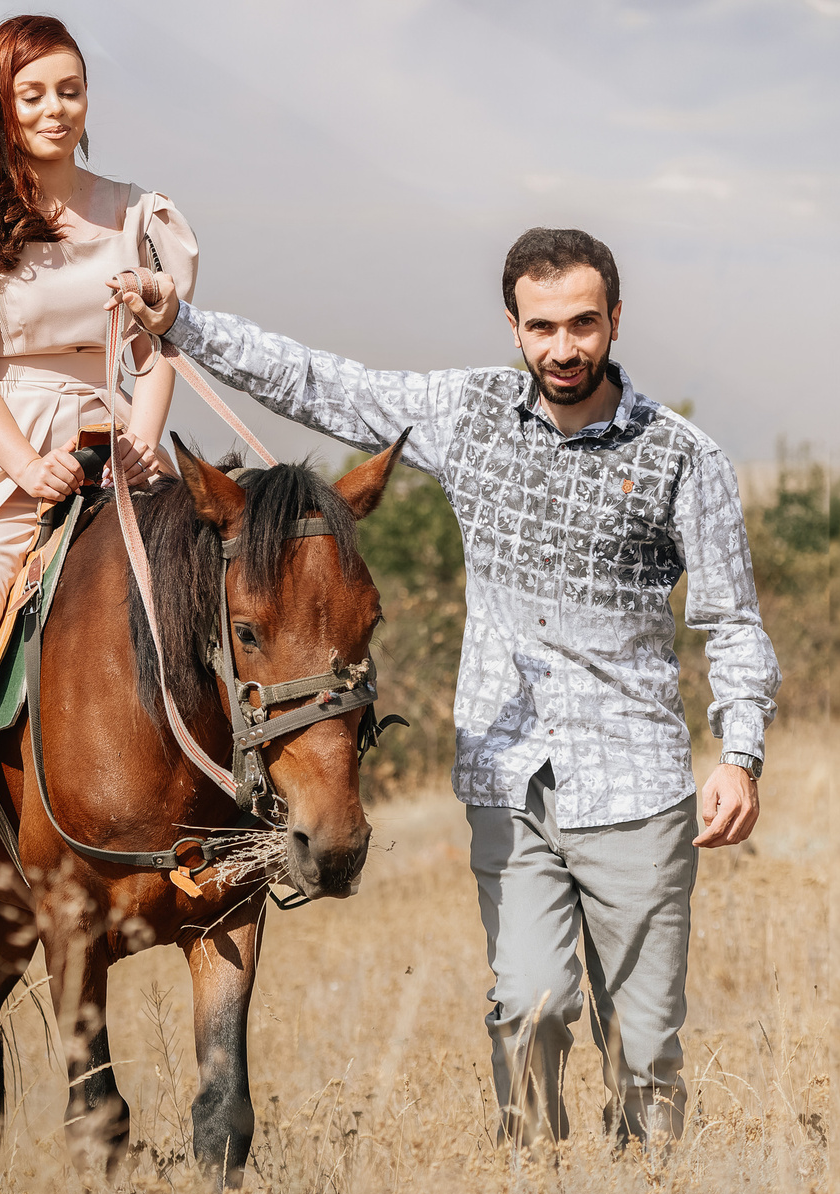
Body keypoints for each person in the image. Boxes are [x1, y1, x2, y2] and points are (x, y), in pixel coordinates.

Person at [162, 228, 780, 1145]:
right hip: (510, 780)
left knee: (645, 1047)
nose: (562, 348)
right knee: (527, 1010)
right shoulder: (471, 414)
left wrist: (739, 753)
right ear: (513, 325)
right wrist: (185, 324)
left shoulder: (681, 457)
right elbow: (324, 382)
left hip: (635, 784)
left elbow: (731, 619)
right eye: (541, 327)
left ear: (615, 318)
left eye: (581, 323)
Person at [0, 15, 186, 960]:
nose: (56, 109)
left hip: (121, 443)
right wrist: (27, 467)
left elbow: (159, 353)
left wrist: (140, 434)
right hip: (6, 456)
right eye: (34, 94)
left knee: (209, 609)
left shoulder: (139, 215)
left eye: (70, 89)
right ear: (1, 109)